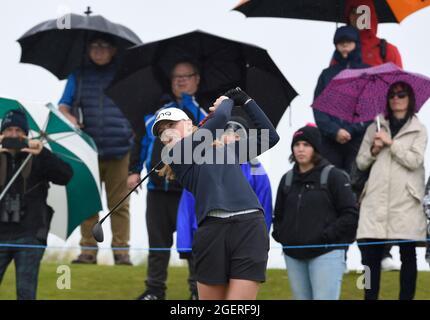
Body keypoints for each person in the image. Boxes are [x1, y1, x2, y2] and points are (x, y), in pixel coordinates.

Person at [153, 88, 279, 300]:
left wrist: (246, 100)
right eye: (161, 133)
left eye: (171, 126)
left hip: (249, 227)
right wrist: (229, 99)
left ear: (187, 124)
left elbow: (270, 137)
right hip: (212, 232)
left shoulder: (227, 150)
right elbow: (221, 117)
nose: (167, 134)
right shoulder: (177, 155)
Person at [128, 60, 208, 300]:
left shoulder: (202, 112)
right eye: (176, 77)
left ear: (197, 80)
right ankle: (154, 291)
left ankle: (197, 292)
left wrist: (188, 104)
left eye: (186, 76)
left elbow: (203, 137)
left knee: (193, 244)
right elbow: (141, 140)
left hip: (188, 191)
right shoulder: (157, 112)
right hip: (156, 188)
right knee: (158, 244)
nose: (181, 80)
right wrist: (133, 171)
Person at [176, 114, 273, 300]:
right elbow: (186, 209)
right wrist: (185, 245)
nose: (232, 137)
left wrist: (262, 243)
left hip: (248, 235)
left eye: (238, 135)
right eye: (227, 132)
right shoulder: (200, 164)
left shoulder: (256, 170)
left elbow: (265, 208)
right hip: (208, 238)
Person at [58, 33, 134, 265]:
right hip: (88, 149)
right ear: (88, 50)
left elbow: (138, 104)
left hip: (121, 148)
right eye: (94, 46)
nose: (98, 50)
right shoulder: (78, 75)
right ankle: (88, 251)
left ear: (113, 50)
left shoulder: (124, 74)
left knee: (120, 204)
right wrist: (72, 120)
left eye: (103, 46)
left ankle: (122, 252)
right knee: (88, 202)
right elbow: (63, 106)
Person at [356, 81, 427, 300]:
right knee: (370, 256)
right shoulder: (374, 126)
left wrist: (391, 143)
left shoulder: (419, 129)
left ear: (410, 99)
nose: (396, 98)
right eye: (392, 95)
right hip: (376, 199)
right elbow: (361, 162)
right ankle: (369, 297)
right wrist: (374, 149)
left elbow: (415, 160)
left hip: (405, 200)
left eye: (401, 94)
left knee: (408, 254)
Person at [272, 124, 358, 300]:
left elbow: (350, 214)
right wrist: (283, 236)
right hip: (293, 255)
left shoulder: (335, 176)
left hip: (326, 254)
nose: (300, 149)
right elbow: (278, 215)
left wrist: (326, 236)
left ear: (316, 149)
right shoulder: (287, 179)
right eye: (297, 145)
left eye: (306, 144)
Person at [0, 109, 73, 300]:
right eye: (9, 130)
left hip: (30, 235)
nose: (14, 135)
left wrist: (42, 153)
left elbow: (66, 176)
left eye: (18, 130)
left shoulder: (38, 157)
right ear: (2, 134)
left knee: (25, 292)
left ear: (26, 134)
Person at [314, 25, 370, 174]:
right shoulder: (327, 75)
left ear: (356, 44)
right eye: (340, 42)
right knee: (329, 183)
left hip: (358, 141)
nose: (344, 45)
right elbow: (318, 108)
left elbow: (370, 109)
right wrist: (335, 131)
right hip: (331, 141)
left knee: (355, 184)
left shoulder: (367, 73)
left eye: (349, 42)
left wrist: (350, 130)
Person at [344, 0, 403, 68]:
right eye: (353, 12)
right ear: (348, 16)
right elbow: (331, 76)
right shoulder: (342, 50)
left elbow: (399, 77)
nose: (357, 16)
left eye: (362, 12)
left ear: (370, 15)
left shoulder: (387, 49)